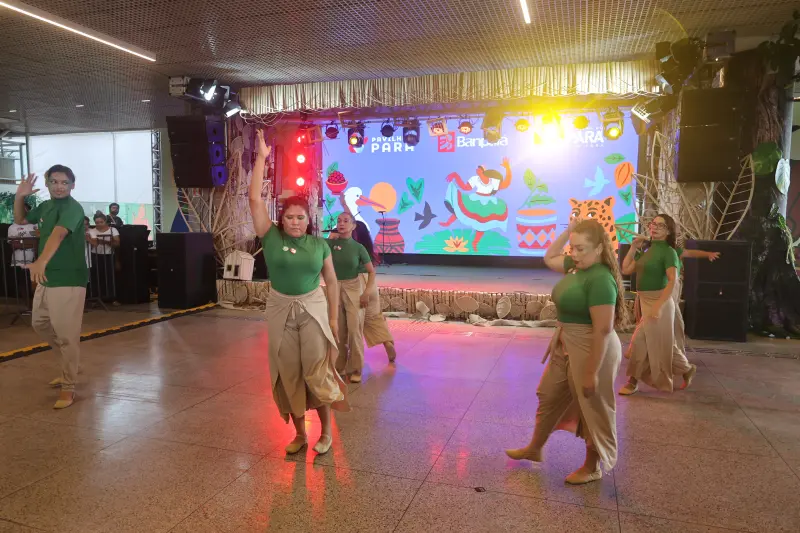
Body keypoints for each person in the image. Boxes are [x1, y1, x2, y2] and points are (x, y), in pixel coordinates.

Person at [248, 128, 349, 455]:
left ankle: (326, 432)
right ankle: (300, 434)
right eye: (289, 217)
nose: (294, 222)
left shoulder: (319, 245)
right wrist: (261, 159)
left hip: (312, 309)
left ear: (308, 220)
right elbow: (254, 199)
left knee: (316, 371)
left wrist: (332, 319)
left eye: (300, 217)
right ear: (282, 219)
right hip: (280, 309)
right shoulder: (270, 237)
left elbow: (331, 281)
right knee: (288, 374)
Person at [506, 218, 626, 485]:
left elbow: (603, 329)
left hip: (592, 346)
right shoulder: (576, 266)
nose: (575, 253)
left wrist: (591, 373)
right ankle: (535, 447)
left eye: (581, 248)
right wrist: (568, 233)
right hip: (566, 342)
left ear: (599, 249)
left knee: (591, 407)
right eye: (573, 248)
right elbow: (550, 257)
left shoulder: (600, 279)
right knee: (548, 394)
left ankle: (592, 466)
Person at [619, 214, 720, 395]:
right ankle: (686, 369)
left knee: (641, 341)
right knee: (659, 343)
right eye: (653, 224)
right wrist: (633, 247)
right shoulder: (646, 249)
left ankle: (632, 382)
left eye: (661, 225)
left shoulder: (669, 252)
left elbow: (672, 281)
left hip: (661, 302)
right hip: (644, 300)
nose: (655, 227)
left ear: (668, 231)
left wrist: (658, 306)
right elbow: (625, 269)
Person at [14, 168, 88, 409]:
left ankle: (69, 386)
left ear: (73, 185)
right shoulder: (46, 206)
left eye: (64, 182)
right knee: (40, 324)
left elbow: (58, 234)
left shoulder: (73, 208)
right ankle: (70, 364)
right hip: (47, 278)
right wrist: (19, 196)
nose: (59, 186)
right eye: (54, 182)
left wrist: (41, 260)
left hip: (68, 279)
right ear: (47, 184)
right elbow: (21, 220)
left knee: (67, 336)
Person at [338, 195, 397, 362]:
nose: (342, 224)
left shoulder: (352, 245)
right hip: (370, 283)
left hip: (354, 282)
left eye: (346, 222)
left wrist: (344, 204)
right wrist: (344, 204)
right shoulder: (367, 247)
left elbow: (350, 222)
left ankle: (350, 358)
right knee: (373, 316)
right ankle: (387, 343)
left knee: (352, 320)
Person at [327, 212, 376, 382]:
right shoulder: (329, 244)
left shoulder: (358, 247)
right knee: (338, 331)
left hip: (353, 288)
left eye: (346, 221)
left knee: (355, 331)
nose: (341, 224)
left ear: (353, 226)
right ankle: (340, 366)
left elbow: (371, 272)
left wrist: (366, 292)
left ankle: (356, 368)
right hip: (334, 288)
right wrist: (329, 239)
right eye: (339, 221)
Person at [7, 202, 38, 299]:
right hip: (18, 260)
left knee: (34, 282)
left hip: (34, 259)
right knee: (22, 282)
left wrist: (21, 242)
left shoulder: (35, 225)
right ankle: (26, 302)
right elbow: (13, 244)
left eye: (24, 210)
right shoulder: (12, 227)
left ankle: (34, 302)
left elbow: (36, 242)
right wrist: (28, 242)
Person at [88, 210, 119, 302]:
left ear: (105, 221)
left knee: (110, 277)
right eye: (97, 222)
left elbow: (117, 244)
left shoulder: (113, 230)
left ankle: (111, 298)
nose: (99, 224)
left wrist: (104, 242)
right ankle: (97, 298)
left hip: (109, 255)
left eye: (101, 222)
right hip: (95, 256)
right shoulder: (92, 231)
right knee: (96, 277)